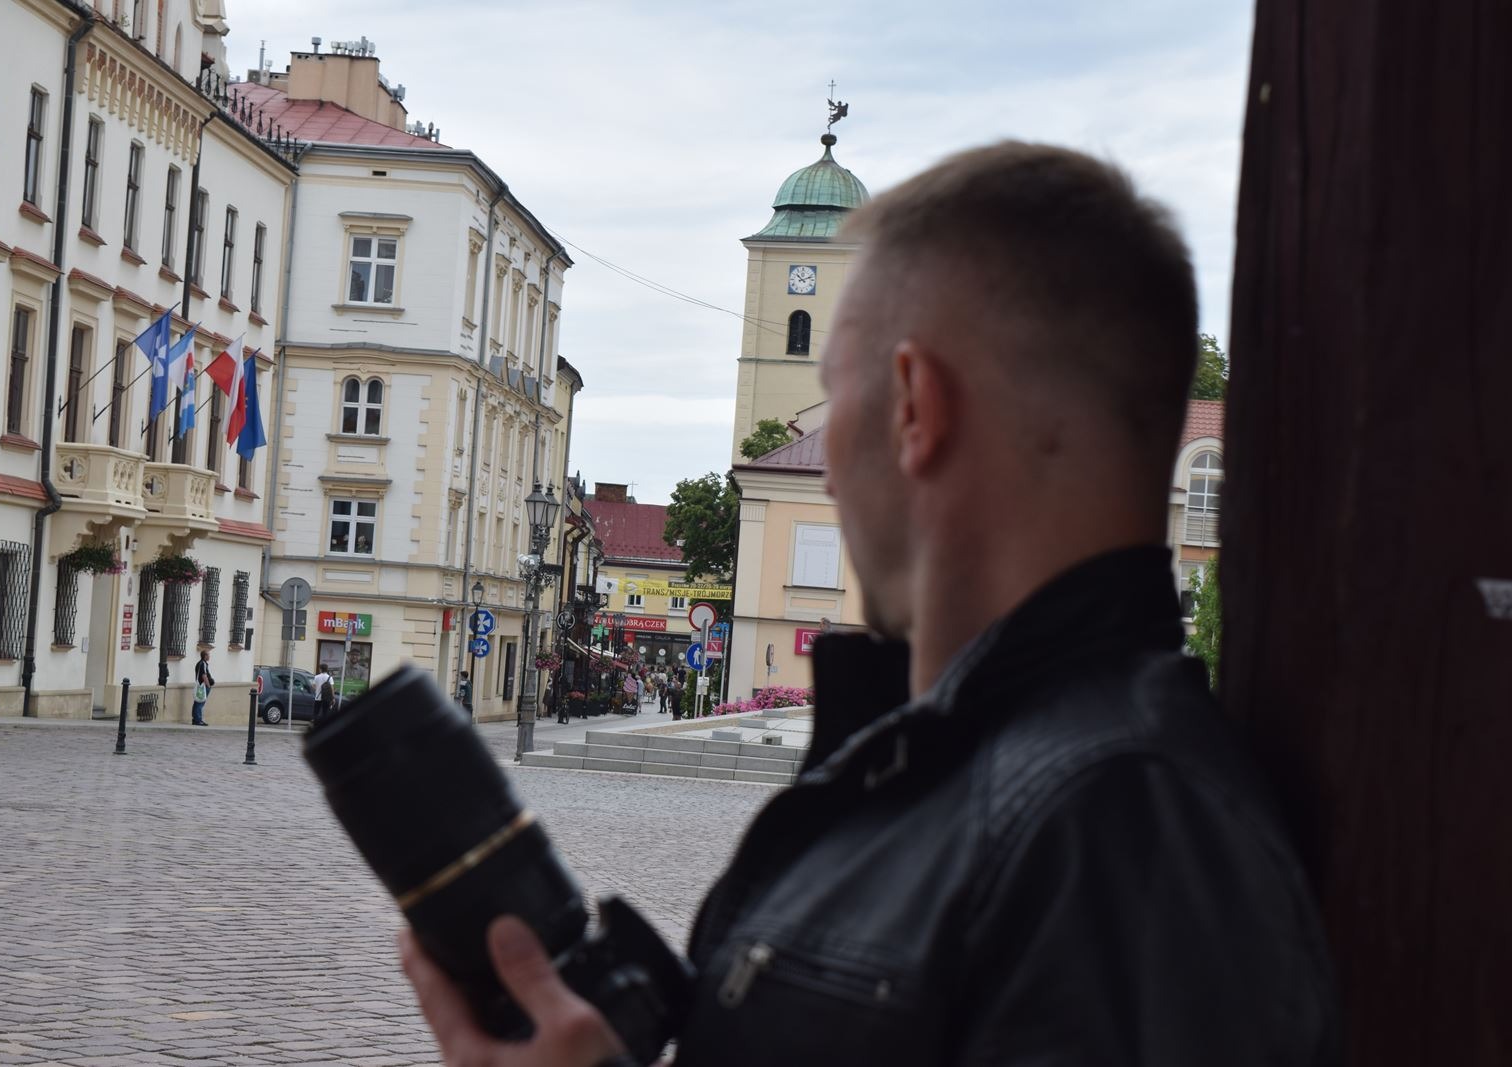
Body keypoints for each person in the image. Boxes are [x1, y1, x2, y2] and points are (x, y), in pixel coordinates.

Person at [397, 143, 1338, 1065]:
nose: (829, 462)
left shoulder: (1110, 830)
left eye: (835, 397)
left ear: (915, 406)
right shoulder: (1011, 781)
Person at [190, 650, 213, 726]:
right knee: (200, 703)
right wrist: (208, 685)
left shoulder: (200, 663)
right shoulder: (203, 664)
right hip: (202, 686)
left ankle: (195, 719)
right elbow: (204, 675)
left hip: (200, 686)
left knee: (197, 702)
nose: (209, 656)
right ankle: (198, 720)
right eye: (208, 655)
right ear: (205, 656)